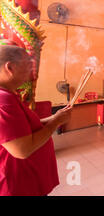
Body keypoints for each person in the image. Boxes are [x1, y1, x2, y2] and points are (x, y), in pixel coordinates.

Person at [0, 45, 73, 195]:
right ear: (10, 68)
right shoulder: (3, 99)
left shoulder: (9, 94)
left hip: (26, 180)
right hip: (18, 184)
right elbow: (22, 150)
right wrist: (56, 122)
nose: (31, 72)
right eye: (27, 65)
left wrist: (54, 117)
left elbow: (26, 128)